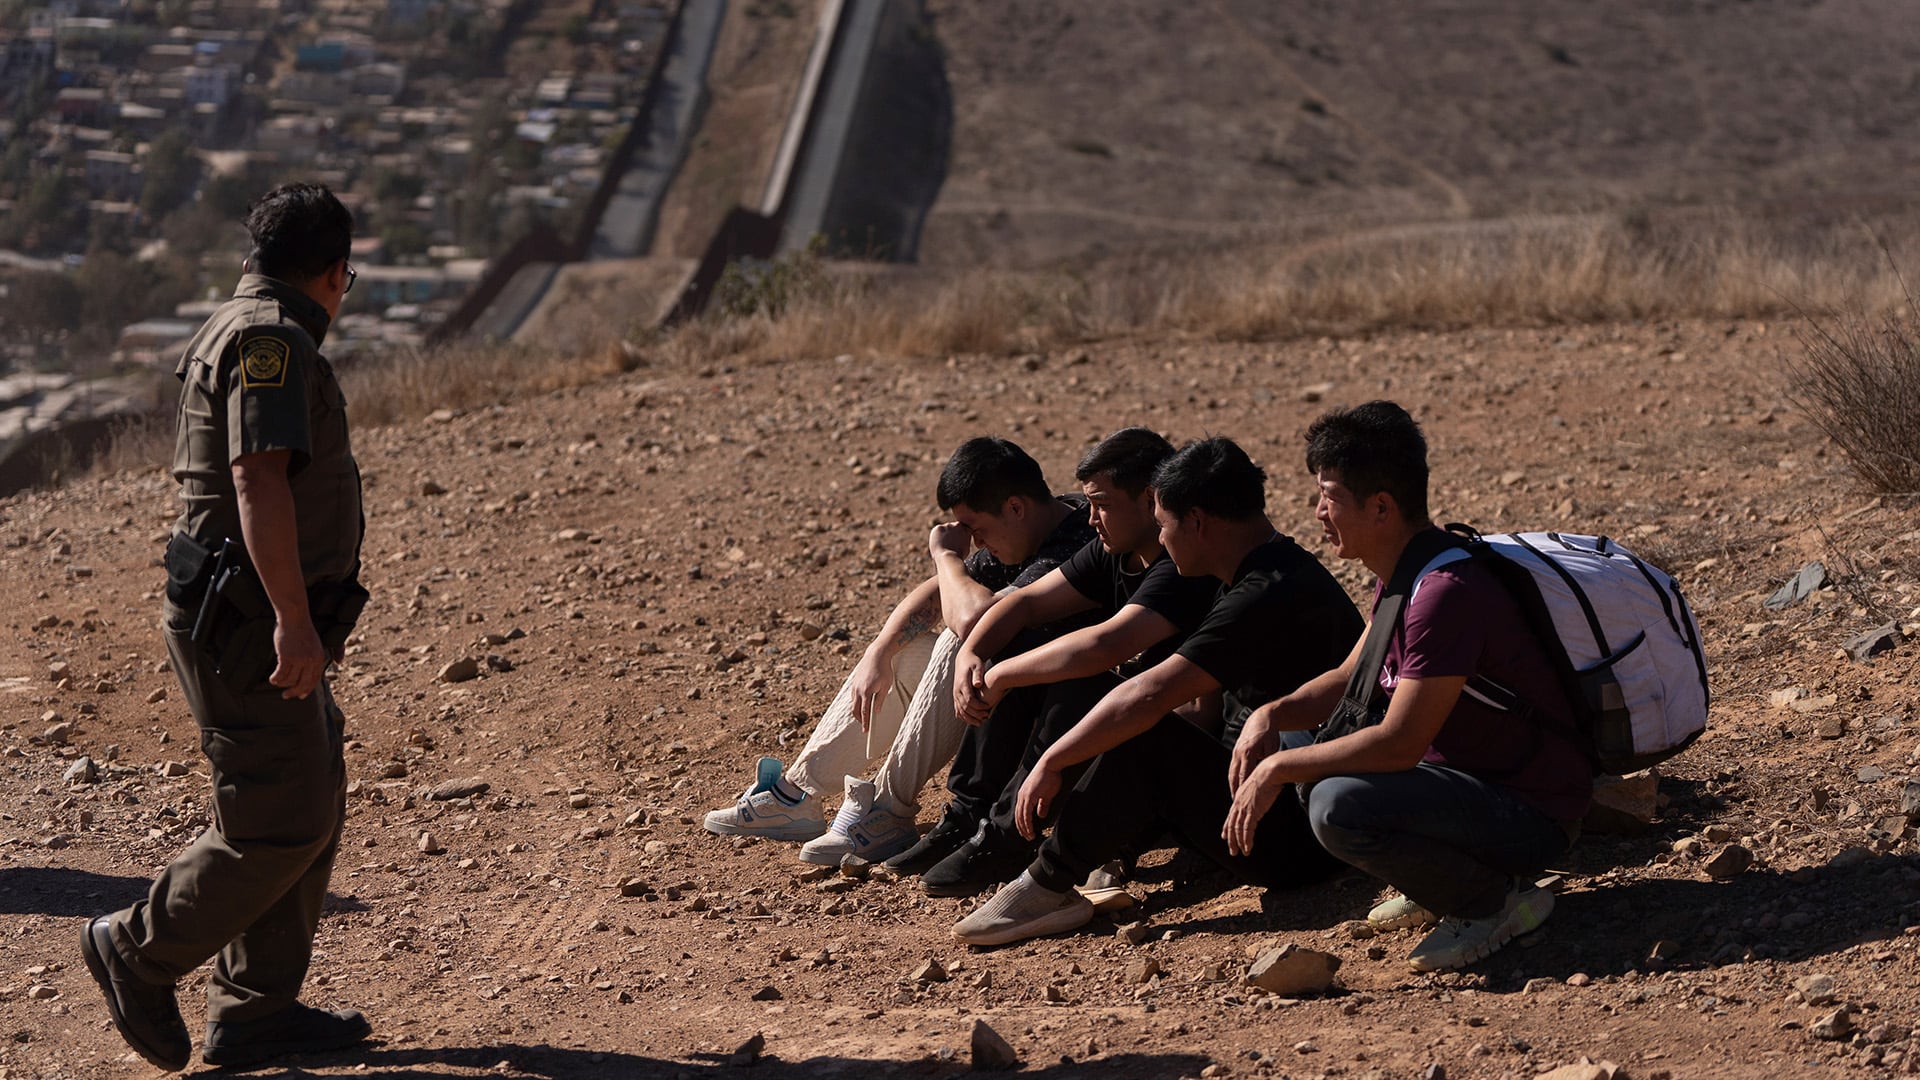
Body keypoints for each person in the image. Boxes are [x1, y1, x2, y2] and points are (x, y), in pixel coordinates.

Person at [80, 182, 373, 1071]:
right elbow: (257, 480)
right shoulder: (268, 339)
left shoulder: (242, 321)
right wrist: (292, 620)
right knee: (276, 817)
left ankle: (255, 1011)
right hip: (248, 618)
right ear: (330, 272)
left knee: (309, 792)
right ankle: (136, 949)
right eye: (348, 278)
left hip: (252, 610)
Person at [1220, 400, 1592, 971]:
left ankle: (1492, 903)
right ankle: (1442, 881)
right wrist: (1270, 715)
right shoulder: (1406, 570)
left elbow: (1399, 744)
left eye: (1329, 496)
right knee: (1292, 745)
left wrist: (1278, 770)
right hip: (1464, 784)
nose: (1317, 511)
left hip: (1530, 811)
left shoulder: (1444, 592)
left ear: (1382, 507)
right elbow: (1350, 677)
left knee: (1335, 804)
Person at [952, 436, 1362, 946]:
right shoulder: (1257, 570)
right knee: (1131, 724)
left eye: (1165, 525)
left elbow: (1152, 694)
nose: (1162, 542)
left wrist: (1053, 762)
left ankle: (1047, 884)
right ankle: (1058, 846)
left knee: (1142, 733)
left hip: (1299, 836)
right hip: (1260, 797)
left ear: (1197, 522)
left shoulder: (1267, 591)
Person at [703, 436, 1096, 865]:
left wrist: (946, 557)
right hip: (997, 704)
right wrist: (879, 651)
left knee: (956, 639)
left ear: (1016, 507)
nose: (977, 544)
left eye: (978, 530)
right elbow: (933, 597)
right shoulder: (1025, 529)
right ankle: (796, 794)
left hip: (1053, 716)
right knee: (905, 652)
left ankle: (888, 811)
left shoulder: (1076, 540)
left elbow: (979, 624)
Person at [884, 427, 1217, 899]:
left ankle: (1009, 836)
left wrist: (999, 674)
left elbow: (1104, 646)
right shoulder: (1113, 551)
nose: (1091, 519)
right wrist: (975, 653)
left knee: (1074, 681)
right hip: (1144, 729)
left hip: (1187, 750)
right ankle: (970, 814)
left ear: (1149, 500)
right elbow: (1023, 604)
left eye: (1102, 505)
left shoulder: (1179, 567)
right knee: (1022, 647)